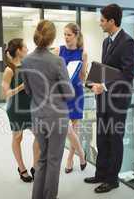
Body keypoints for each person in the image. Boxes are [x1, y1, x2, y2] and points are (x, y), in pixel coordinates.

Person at [84, 4, 134, 194]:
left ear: (112, 21)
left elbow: (127, 75)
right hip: (103, 98)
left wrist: (104, 86)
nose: (100, 23)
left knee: (114, 139)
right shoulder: (107, 42)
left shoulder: (128, 42)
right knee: (101, 136)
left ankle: (112, 180)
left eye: (102, 20)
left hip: (118, 101)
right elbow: (106, 70)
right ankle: (101, 173)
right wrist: (93, 82)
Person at [21, 20, 75, 199]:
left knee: (42, 159)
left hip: (37, 116)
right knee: (53, 161)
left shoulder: (26, 60)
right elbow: (69, 94)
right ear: (52, 39)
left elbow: (28, 90)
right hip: (56, 117)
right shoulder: (57, 61)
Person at [1, 38, 40, 183]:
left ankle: (35, 167)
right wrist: (22, 86)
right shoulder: (9, 69)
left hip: (31, 107)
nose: (27, 49)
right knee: (18, 137)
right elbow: (6, 93)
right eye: (25, 47)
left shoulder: (28, 65)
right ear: (18, 50)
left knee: (39, 136)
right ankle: (22, 168)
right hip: (15, 109)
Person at [53, 23, 87, 174]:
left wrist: (82, 71)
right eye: (64, 34)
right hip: (62, 93)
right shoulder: (58, 50)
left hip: (77, 92)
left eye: (69, 35)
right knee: (66, 127)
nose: (66, 37)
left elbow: (83, 77)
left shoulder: (83, 53)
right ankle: (82, 153)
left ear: (76, 35)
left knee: (75, 126)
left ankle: (70, 159)